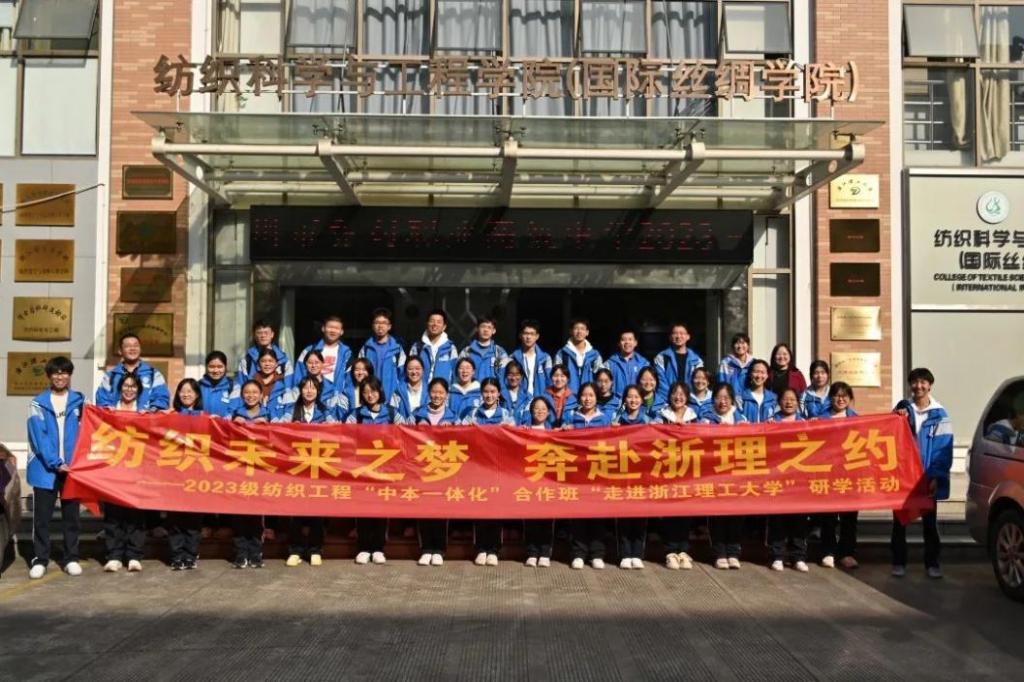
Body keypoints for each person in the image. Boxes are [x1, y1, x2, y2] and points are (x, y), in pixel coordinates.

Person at [891, 368, 953, 579]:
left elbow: (943, 449)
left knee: (929, 523)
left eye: (923, 382)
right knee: (899, 522)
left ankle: (932, 564)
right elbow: (888, 437)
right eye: (915, 382)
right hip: (904, 475)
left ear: (930, 385)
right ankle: (898, 562)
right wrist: (896, 418)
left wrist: (936, 476)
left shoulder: (940, 414)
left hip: (927, 476)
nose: (919, 386)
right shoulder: (902, 409)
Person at [26, 356, 85, 580]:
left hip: (73, 469)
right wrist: (57, 463)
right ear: (49, 376)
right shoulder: (37, 403)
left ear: (70, 375)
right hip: (45, 469)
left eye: (64, 372)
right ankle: (40, 559)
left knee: (72, 518)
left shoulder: (81, 401)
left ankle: (71, 558)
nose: (60, 377)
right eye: (56, 373)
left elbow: (89, 432)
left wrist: (77, 462)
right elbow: (38, 437)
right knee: (42, 519)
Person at [462, 378, 517, 566]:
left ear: (499, 393)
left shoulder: (506, 416)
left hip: (498, 470)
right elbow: (459, 434)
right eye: (486, 391)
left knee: (496, 510)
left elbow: (513, 441)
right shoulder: (472, 415)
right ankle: (480, 548)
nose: (489, 395)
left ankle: (493, 549)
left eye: (493, 392)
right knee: (479, 510)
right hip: (477, 469)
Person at [346, 377, 395, 565]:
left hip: (385, 469)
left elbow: (407, 432)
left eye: (373, 391)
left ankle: (379, 548)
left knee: (381, 509)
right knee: (363, 509)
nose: (370, 395)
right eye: (365, 392)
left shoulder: (392, 413)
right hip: (362, 469)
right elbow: (345, 436)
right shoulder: (356, 415)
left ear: (379, 391)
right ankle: (364, 547)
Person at [284, 376, 332, 568]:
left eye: (313, 388)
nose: (309, 391)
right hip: (296, 468)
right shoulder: (290, 411)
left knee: (317, 511)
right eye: (305, 388)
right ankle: (295, 550)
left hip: (319, 468)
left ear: (318, 391)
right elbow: (277, 429)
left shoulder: (326, 411)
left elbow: (337, 432)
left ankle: (315, 549)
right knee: (295, 511)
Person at [564, 383, 612, 570]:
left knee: (598, 515)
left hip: (598, 473)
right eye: (584, 395)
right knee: (578, 516)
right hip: (577, 474)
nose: (587, 399)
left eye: (591, 395)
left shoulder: (605, 418)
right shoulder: (571, 417)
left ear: (596, 398)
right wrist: (564, 431)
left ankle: (597, 554)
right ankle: (578, 553)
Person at [102, 374, 147, 573]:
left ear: (139, 390)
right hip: (114, 470)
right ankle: (114, 555)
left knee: (136, 515)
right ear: (119, 388)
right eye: (126, 386)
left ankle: (134, 555)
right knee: (114, 515)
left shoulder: (144, 413)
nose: (129, 390)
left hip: (138, 471)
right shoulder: (110, 411)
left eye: (133, 386)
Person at [412, 378, 459, 567]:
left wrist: (453, 430)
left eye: (441, 392)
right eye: (434, 392)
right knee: (423, 509)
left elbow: (463, 441)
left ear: (446, 395)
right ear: (428, 393)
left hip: (444, 471)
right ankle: (425, 549)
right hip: (422, 470)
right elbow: (403, 433)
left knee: (441, 510)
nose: (437, 395)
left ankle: (439, 549)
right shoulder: (417, 415)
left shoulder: (454, 417)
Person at [654, 382, 699, 571]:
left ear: (687, 397)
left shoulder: (695, 417)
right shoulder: (661, 415)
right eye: (675, 393)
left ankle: (683, 550)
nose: (678, 397)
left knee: (686, 512)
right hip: (668, 470)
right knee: (670, 512)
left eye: (682, 394)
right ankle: (670, 551)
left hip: (688, 471)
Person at [703, 383, 747, 569]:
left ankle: (733, 551)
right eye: (719, 398)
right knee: (717, 514)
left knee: (736, 514)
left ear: (732, 400)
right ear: (713, 399)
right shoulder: (706, 419)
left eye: (726, 398)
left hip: (736, 475)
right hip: (714, 475)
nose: (722, 402)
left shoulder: (740, 418)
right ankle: (719, 552)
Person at [818, 382, 859, 570]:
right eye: (836, 395)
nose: (840, 399)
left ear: (850, 399)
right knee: (828, 516)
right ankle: (828, 551)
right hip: (828, 474)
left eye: (844, 396)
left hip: (850, 474)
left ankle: (847, 553)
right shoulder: (821, 419)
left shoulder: (857, 420)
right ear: (830, 398)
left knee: (849, 517)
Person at [768, 388, 810, 573]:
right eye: (785, 399)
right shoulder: (771, 422)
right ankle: (777, 556)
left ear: (797, 402)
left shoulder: (805, 423)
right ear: (779, 402)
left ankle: (798, 556)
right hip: (777, 478)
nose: (789, 402)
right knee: (778, 519)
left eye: (792, 399)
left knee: (799, 519)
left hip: (798, 479)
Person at [230, 380, 270, 569]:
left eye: (255, 392)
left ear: (261, 395)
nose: (251, 395)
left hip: (260, 469)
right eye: (247, 392)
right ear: (242, 395)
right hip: (239, 469)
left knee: (256, 514)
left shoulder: (269, 414)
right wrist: (233, 425)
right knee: (239, 514)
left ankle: (255, 553)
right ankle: (240, 553)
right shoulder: (234, 414)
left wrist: (267, 426)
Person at [167, 379, 204, 570]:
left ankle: (191, 554)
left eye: (190, 391)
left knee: (193, 518)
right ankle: (176, 554)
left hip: (196, 473)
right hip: (174, 473)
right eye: (182, 391)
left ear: (197, 395)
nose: (186, 394)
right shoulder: (170, 416)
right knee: (175, 518)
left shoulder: (205, 417)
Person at [95, 333, 170, 410]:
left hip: (145, 417)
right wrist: (108, 409)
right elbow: (102, 401)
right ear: (120, 351)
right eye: (128, 346)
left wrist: (151, 411)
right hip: (117, 418)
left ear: (140, 349)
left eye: (136, 345)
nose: (132, 348)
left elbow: (162, 399)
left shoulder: (153, 374)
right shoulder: (110, 376)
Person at [523, 398, 555, 567]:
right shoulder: (523, 431)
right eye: (536, 408)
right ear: (531, 411)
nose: (540, 411)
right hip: (529, 480)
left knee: (547, 518)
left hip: (548, 480)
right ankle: (531, 552)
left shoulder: (554, 431)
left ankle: (545, 552)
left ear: (548, 412)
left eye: (543, 409)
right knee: (531, 518)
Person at [293, 315, 352, 399]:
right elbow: (298, 376)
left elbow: (349, 382)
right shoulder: (309, 350)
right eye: (330, 327)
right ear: (323, 328)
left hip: (335, 399)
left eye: (336, 328)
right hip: (310, 398)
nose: (333, 331)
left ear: (341, 332)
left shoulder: (347, 354)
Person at [357, 307, 406, 401]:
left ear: (389, 326)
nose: (380, 326)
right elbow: (359, 373)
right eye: (377, 322)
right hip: (370, 398)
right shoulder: (366, 348)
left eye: (384, 323)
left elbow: (403, 375)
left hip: (391, 398)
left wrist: (398, 396)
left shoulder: (398, 349)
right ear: (373, 326)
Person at [653, 323, 704, 403]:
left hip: (690, 403)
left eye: (682, 333)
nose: (678, 336)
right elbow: (661, 383)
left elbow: (698, 383)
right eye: (675, 333)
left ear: (688, 336)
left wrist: (688, 400)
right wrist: (673, 400)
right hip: (667, 402)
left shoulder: (696, 360)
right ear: (670, 337)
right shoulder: (661, 357)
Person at [408, 309, 460, 385]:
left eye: (439, 322)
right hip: (421, 390)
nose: (435, 324)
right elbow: (409, 370)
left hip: (442, 391)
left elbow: (455, 375)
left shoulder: (450, 348)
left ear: (444, 327)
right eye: (432, 321)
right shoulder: (417, 347)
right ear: (427, 324)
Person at [235, 319, 292, 386]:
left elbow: (289, 387)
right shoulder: (247, 361)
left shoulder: (283, 361)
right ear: (254, 335)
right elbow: (239, 386)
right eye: (259, 333)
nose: (263, 336)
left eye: (266, 333)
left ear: (272, 334)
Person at [553, 318, 603, 393]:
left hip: (588, 396)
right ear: (571, 331)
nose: (579, 332)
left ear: (587, 332)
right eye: (576, 328)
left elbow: (600, 377)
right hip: (567, 397)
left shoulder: (595, 355)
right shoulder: (562, 354)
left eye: (582, 329)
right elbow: (556, 377)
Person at [507, 319, 552, 398]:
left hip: (540, 402)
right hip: (519, 401)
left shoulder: (545, 358)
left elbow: (550, 382)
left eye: (532, 334)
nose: (528, 337)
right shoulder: (512, 358)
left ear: (537, 336)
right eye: (526, 333)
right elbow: (506, 382)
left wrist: (546, 400)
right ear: (520, 335)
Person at [460, 316, 509, 382]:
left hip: (491, 388)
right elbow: (458, 374)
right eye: (483, 326)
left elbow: (504, 377)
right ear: (477, 329)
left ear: (494, 331)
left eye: (489, 327)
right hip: (472, 388)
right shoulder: (467, 352)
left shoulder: (499, 353)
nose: (486, 330)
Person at [604, 330, 649, 400]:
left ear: (635, 343)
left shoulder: (643, 363)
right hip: (616, 404)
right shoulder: (609, 364)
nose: (627, 342)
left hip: (637, 403)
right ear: (619, 343)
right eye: (623, 340)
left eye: (630, 339)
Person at [250, 347, 289, 420]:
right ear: (258, 364)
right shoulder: (251, 382)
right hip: (257, 420)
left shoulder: (283, 381)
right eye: (263, 361)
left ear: (276, 364)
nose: (267, 364)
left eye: (270, 361)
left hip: (278, 421)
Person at [390, 356, 428, 421]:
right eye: (410, 369)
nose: (414, 372)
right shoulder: (398, 390)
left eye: (417, 369)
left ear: (423, 370)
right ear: (405, 371)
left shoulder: (429, 391)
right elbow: (392, 409)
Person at [198, 350, 233, 417]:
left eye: (220, 367)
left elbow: (238, 408)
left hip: (224, 423)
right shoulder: (198, 386)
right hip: (202, 423)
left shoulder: (232, 386)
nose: (215, 371)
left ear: (225, 367)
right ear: (206, 367)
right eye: (211, 367)